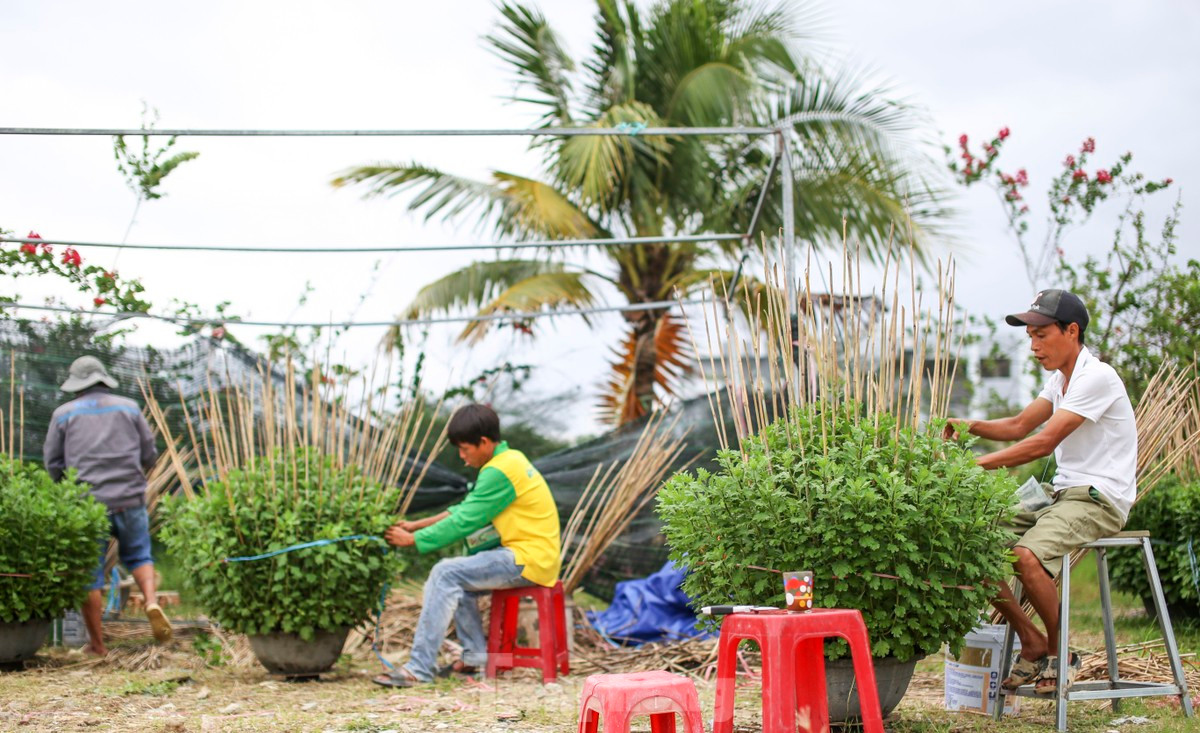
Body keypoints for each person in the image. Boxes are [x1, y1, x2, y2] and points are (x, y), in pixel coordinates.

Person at [944, 289, 1134, 694]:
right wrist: (966, 425)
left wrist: (973, 464)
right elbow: (1017, 426)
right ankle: (1032, 640)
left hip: (1100, 498)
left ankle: (1060, 652)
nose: (1033, 347)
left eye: (1041, 335)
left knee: (1024, 555)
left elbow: (1041, 443)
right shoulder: (1059, 380)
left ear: (1071, 330)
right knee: (970, 541)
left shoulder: (1095, 377)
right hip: (1061, 493)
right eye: (1029, 336)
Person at [374, 403, 561, 687]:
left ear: (483, 442)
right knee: (456, 579)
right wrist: (416, 525)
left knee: (445, 573)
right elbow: (465, 509)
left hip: (527, 558)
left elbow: (464, 522)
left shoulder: (500, 470)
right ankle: (474, 659)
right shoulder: (510, 460)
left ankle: (419, 669)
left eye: (465, 449)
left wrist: (413, 540)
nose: (462, 458)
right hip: (533, 555)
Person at [43, 356, 173, 655]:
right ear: (104, 379)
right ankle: (152, 601)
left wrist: (67, 489)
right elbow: (149, 453)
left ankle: (98, 645)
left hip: (88, 505)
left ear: (76, 385)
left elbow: (53, 462)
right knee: (139, 555)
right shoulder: (128, 407)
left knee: (90, 573)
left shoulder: (63, 415)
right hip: (129, 498)